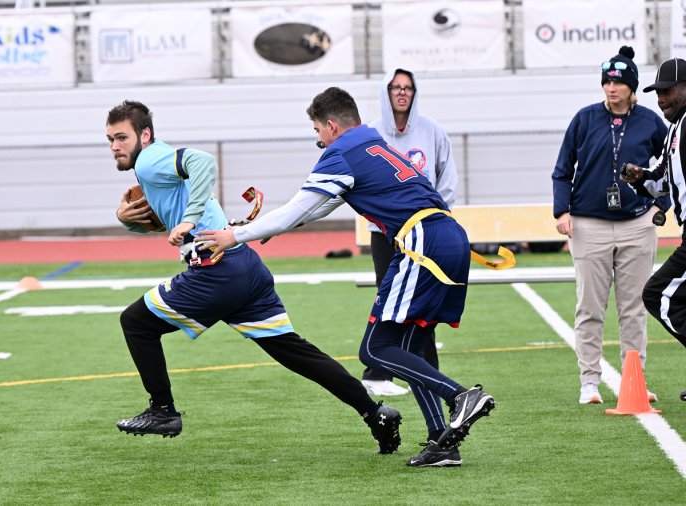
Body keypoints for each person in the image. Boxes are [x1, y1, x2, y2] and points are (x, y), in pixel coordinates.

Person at [198, 87, 496, 468]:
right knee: (412, 346)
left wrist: (234, 235)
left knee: (374, 350)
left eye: (317, 133)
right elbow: (323, 205)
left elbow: (297, 207)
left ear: (332, 125)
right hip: (450, 235)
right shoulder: (374, 143)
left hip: (422, 240)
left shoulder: (339, 152)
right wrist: (271, 228)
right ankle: (442, 442)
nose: (318, 141)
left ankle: (460, 397)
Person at [106, 100, 403, 453]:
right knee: (294, 351)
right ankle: (375, 413)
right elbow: (164, 218)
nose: (114, 147)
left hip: (216, 270)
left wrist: (188, 220)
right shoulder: (157, 167)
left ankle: (162, 409)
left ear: (145, 134)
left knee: (136, 322)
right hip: (245, 265)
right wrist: (128, 219)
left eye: (121, 137)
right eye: (109, 139)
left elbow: (203, 162)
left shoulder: (152, 158)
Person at [552, 46, 669, 405]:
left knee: (634, 307)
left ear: (632, 87)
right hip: (589, 224)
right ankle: (589, 381)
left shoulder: (650, 121)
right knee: (590, 307)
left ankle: (635, 378)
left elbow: (670, 164)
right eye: (607, 82)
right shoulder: (584, 119)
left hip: (637, 224)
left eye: (618, 82)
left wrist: (659, 206)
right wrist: (562, 212)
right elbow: (562, 169)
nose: (611, 88)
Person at [361, 67, 459, 397]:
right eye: (395, 87)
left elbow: (448, 178)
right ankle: (377, 373)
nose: (402, 92)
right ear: (386, 92)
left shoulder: (431, 131)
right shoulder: (371, 134)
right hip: (386, 233)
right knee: (389, 301)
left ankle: (428, 374)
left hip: (425, 234)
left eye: (408, 88)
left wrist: (436, 216)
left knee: (424, 305)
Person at [620, 57, 686, 402]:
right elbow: (661, 181)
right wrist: (639, 176)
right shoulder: (675, 128)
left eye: (668, 91)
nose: (661, 99)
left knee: (657, 294)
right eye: (658, 93)